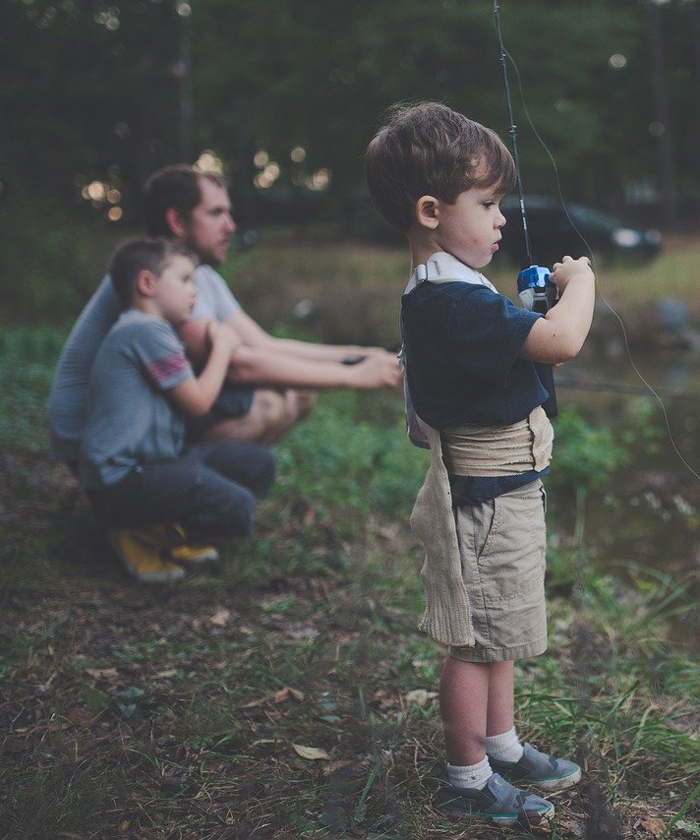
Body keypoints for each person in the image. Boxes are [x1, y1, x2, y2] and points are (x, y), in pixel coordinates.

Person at [365, 102, 595, 826]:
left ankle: (500, 742)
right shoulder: (448, 300)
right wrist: (580, 286)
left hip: (507, 490)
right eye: (488, 203)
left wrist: (527, 307)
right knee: (474, 643)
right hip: (486, 500)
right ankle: (466, 776)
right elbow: (559, 343)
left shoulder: (454, 290)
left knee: (501, 632)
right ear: (431, 210)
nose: (501, 219)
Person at [49, 165, 401, 466]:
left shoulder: (197, 276)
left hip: (141, 419)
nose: (231, 226)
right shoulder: (159, 285)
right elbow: (239, 364)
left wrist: (359, 355)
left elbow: (264, 344)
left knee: (298, 392)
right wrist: (357, 378)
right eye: (216, 213)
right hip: (93, 440)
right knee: (268, 402)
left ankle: (202, 497)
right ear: (176, 220)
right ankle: (170, 506)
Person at [79, 237, 276, 583]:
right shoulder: (145, 329)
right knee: (237, 506)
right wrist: (224, 347)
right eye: (185, 280)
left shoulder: (150, 330)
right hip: (121, 482)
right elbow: (199, 402)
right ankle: (137, 532)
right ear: (147, 284)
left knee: (260, 464)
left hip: (158, 463)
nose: (194, 292)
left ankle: (164, 526)